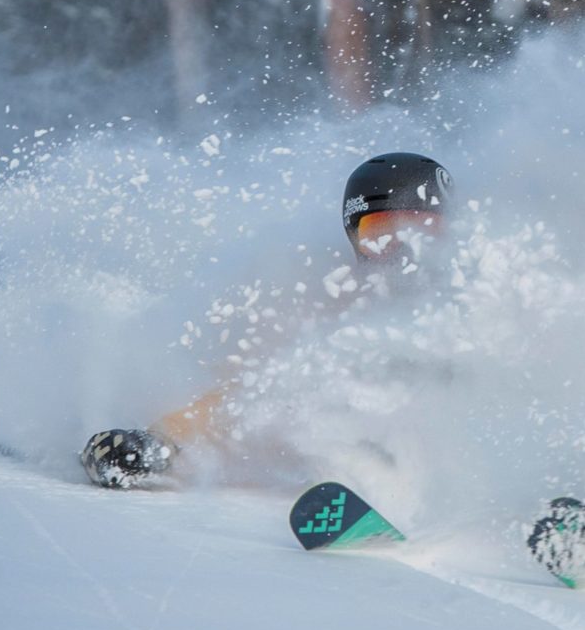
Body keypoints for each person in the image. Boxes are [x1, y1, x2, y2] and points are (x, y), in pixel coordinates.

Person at [79, 151, 454, 488]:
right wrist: (163, 440)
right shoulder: (334, 300)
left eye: (424, 231)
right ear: (353, 234)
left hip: (452, 456)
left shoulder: (484, 301)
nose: (405, 249)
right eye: (382, 233)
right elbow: (248, 392)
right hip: (356, 447)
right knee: (298, 380)